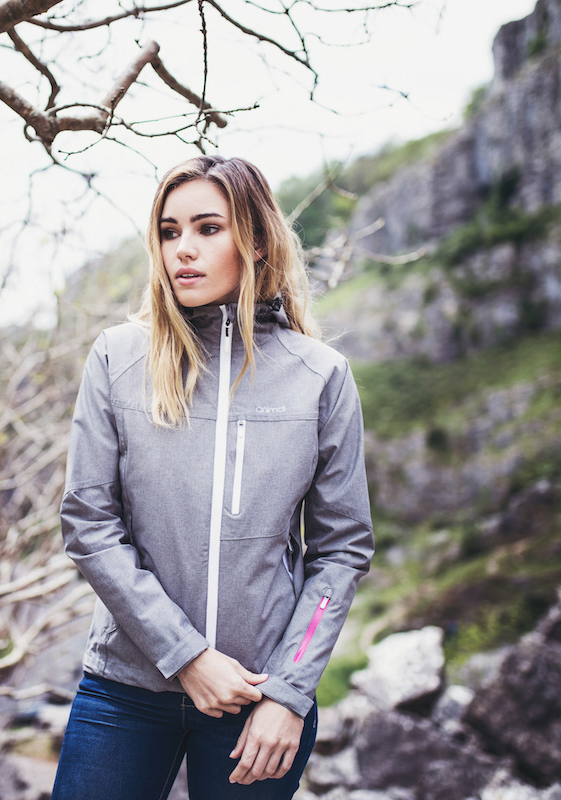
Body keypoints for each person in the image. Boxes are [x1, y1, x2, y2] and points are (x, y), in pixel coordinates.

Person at [52, 155, 373, 800]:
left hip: (260, 701)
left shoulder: (320, 375)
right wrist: (187, 656)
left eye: (207, 228)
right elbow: (89, 524)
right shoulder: (119, 357)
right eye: (169, 232)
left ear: (255, 241)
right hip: (126, 690)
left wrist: (290, 691)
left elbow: (341, 551)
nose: (183, 250)